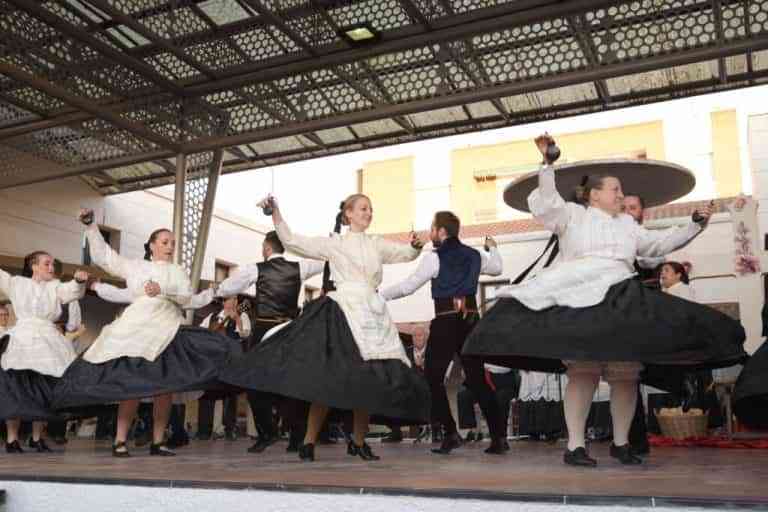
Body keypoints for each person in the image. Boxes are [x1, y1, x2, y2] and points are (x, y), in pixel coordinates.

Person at [462, 134, 746, 467]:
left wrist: (694, 226)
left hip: (622, 295)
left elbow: (656, 246)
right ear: (594, 194)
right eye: (616, 190)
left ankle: (622, 443)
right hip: (579, 293)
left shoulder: (628, 224)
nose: (622, 196)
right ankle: (575, 446)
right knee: (583, 370)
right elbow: (546, 203)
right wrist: (548, 163)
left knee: (626, 372)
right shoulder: (571, 215)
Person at [222, 194, 431, 462]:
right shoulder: (335, 244)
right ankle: (309, 441)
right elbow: (293, 241)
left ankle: (357, 440)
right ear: (349, 214)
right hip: (343, 311)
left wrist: (415, 246)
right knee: (329, 377)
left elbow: (404, 253)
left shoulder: (376, 244)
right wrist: (276, 213)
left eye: (371, 208)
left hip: (373, 314)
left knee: (368, 378)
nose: (369, 213)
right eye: (364, 208)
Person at [52, 209, 241, 458]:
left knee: (165, 388)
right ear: (152, 245)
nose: (170, 247)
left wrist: (163, 289)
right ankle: (120, 440)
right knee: (131, 387)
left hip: (167, 329)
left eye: (172, 243)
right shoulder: (136, 267)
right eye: (165, 242)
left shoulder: (178, 272)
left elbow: (187, 299)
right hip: (136, 328)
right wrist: (90, 226)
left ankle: (158, 441)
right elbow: (105, 257)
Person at [382, 211, 507, 454]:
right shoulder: (475, 254)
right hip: (470, 320)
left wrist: (381, 295)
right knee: (478, 380)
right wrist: (493, 247)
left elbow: (409, 286)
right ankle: (499, 438)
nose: (430, 234)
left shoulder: (433, 258)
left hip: (446, 320)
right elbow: (498, 267)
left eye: (432, 229)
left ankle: (451, 433)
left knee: (431, 378)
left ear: (441, 231)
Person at [215, 230, 323, 453]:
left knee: (254, 382)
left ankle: (268, 432)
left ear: (267, 248)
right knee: (293, 384)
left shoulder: (257, 268)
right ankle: (297, 437)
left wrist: (218, 289)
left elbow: (227, 288)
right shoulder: (300, 267)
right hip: (291, 330)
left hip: (264, 328)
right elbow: (325, 260)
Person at [0, 252, 89, 453]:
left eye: (52, 264)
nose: (51, 267)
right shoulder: (17, 283)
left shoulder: (55, 286)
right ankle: (12, 439)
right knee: (17, 388)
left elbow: (72, 291)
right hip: (23, 338)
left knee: (44, 388)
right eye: (46, 264)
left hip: (49, 339)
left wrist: (77, 281)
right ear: (34, 266)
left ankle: (36, 437)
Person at [197, 295, 251, 442]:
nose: (233, 302)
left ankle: (230, 429)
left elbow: (245, 334)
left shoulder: (242, 314)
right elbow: (201, 333)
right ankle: (203, 431)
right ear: (223, 302)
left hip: (231, 359)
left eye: (235, 299)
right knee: (207, 393)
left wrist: (236, 319)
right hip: (213, 360)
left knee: (230, 394)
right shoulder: (212, 316)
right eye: (229, 299)